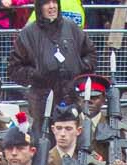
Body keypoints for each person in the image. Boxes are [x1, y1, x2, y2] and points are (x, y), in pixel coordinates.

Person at [7, 0, 89, 129]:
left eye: (54, 2)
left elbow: (90, 54)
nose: (52, 7)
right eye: (46, 3)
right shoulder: (28, 34)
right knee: (42, 138)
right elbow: (14, 68)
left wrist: (78, 69)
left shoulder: (72, 28)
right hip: (41, 97)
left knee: (70, 137)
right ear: (39, 7)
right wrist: (36, 74)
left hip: (70, 95)